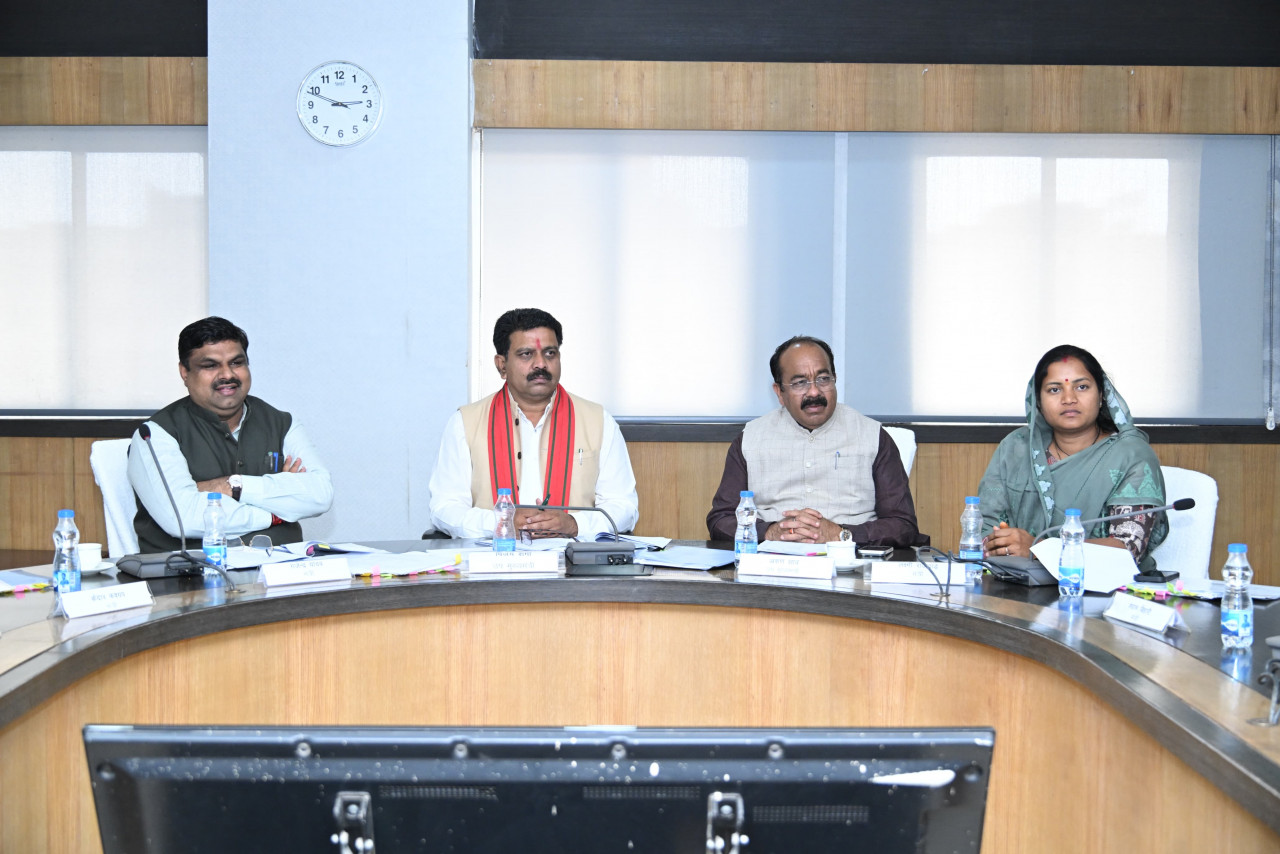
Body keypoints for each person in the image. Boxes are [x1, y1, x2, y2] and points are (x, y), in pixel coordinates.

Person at [429, 308, 639, 539]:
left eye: (550, 353)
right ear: (501, 365)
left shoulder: (598, 421)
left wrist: (574, 524)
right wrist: (502, 522)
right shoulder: (465, 423)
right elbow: (445, 507)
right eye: (526, 354)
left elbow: (624, 507)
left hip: (573, 556)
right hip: (492, 556)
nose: (541, 364)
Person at [128, 316, 334, 552]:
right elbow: (184, 518)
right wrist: (278, 511)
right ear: (184, 372)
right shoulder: (155, 435)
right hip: (191, 571)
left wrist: (233, 486)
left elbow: (320, 495)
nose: (227, 374)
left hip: (280, 566)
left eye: (236, 363)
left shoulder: (281, 423)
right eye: (210, 365)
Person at [707, 335, 926, 546]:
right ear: (779, 392)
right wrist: (771, 532)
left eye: (823, 379)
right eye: (799, 382)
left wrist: (842, 534)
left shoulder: (873, 436)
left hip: (850, 560)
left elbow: (903, 526)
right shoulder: (751, 439)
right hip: (772, 560)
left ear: (835, 379)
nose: (814, 392)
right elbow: (721, 520)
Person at [978, 344, 1167, 573]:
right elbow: (983, 529)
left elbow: (1126, 551)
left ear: (1102, 396)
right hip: (1017, 582)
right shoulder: (1017, 448)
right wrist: (1000, 544)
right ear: (1038, 401)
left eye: (1082, 387)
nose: (1069, 398)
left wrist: (1039, 549)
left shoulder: (1131, 455)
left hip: (1108, 588)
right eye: (1054, 390)